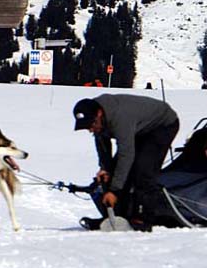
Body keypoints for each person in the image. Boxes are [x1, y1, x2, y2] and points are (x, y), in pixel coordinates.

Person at [73, 94, 179, 231]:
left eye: (92, 125)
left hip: (162, 125)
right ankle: (117, 217)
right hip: (139, 128)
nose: (90, 129)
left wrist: (114, 190)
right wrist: (105, 168)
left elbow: (126, 155)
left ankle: (143, 219)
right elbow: (102, 144)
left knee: (142, 171)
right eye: (87, 127)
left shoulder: (120, 118)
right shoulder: (97, 116)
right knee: (115, 172)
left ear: (99, 114)